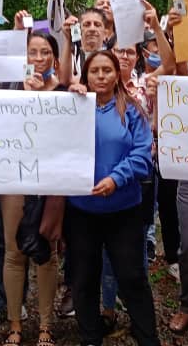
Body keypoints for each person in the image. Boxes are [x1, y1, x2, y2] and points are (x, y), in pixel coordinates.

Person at [64, 50, 157, 346]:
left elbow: (143, 154)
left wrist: (116, 178)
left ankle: (147, 338)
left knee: (132, 278)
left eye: (107, 70)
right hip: (81, 210)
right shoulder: (73, 106)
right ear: (86, 75)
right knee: (84, 278)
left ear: (117, 74)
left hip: (124, 210)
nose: (101, 76)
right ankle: (90, 337)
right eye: (95, 71)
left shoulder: (132, 110)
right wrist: (68, 98)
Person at [0, 31, 67, 346]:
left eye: (44, 53)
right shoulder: (9, 90)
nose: (38, 59)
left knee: (48, 254)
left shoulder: (65, 93)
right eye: (32, 53)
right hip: (13, 177)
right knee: (14, 253)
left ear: (54, 57)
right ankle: (14, 325)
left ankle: (45, 327)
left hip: (50, 182)